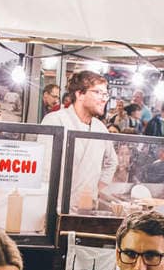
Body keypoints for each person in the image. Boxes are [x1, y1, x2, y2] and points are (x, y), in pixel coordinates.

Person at [42, 70, 118, 212]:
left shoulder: (100, 128)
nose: (104, 99)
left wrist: (95, 188)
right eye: (98, 93)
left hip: (86, 209)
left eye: (105, 94)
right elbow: (45, 170)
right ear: (79, 94)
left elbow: (112, 162)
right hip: (56, 209)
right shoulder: (55, 120)